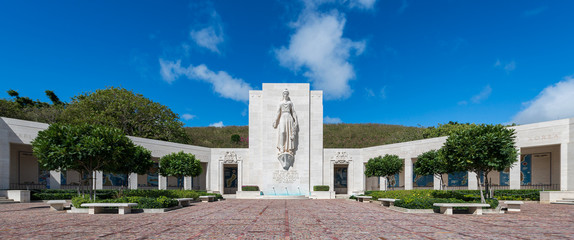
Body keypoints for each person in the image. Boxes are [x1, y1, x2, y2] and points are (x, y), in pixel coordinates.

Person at [273, 89, 298, 155]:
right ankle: (282, 148)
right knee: (282, 132)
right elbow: (278, 112)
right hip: (282, 117)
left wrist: (296, 120)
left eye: (287, 93)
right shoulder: (280, 103)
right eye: (284, 93)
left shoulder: (290, 103)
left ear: (288, 95)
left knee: (289, 133)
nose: (285, 95)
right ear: (283, 95)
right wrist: (275, 121)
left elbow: (293, 112)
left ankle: (289, 149)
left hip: (289, 117)